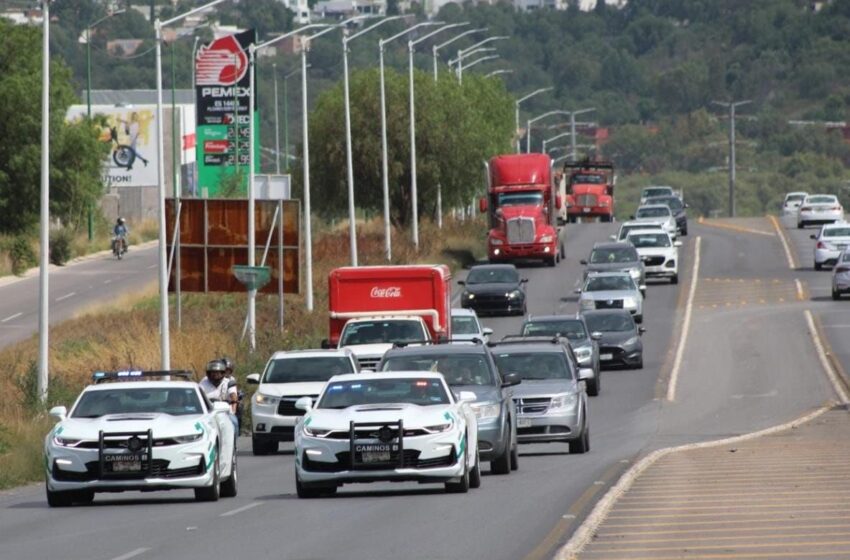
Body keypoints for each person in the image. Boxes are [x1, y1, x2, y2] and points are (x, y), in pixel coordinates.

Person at [200, 360, 239, 436]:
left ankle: (234, 445)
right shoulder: (203, 383)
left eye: (217, 373)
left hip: (226, 412)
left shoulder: (228, 382)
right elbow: (199, 395)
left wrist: (233, 410)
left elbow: (233, 396)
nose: (215, 375)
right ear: (208, 373)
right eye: (212, 373)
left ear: (222, 373)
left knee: (234, 422)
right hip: (208, 412)